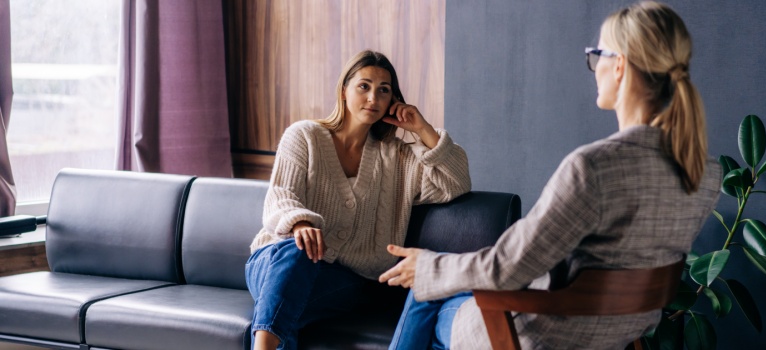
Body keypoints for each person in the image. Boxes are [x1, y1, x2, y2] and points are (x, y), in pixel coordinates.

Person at [379, 2, 722, 349]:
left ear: (619, 65)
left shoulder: (593, 167)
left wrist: (428, 267)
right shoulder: (703, 174)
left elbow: (507, 267)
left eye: (597, 55)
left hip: (539, 336)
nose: (594, 68)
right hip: (611, 337)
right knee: (437, 283)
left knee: (425, 295)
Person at [245, 50, 471, 350]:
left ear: (393, 100)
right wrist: (300, 224)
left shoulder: (397, 157)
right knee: (297, 253)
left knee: (288, 305)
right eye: (364, 86)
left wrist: (422, 129)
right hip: (275, 261)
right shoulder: (304, 136)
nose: (373, 98)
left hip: (345, 281)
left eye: (384, 90)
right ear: (344, 90)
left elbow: (456, 182)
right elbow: (281, 195)